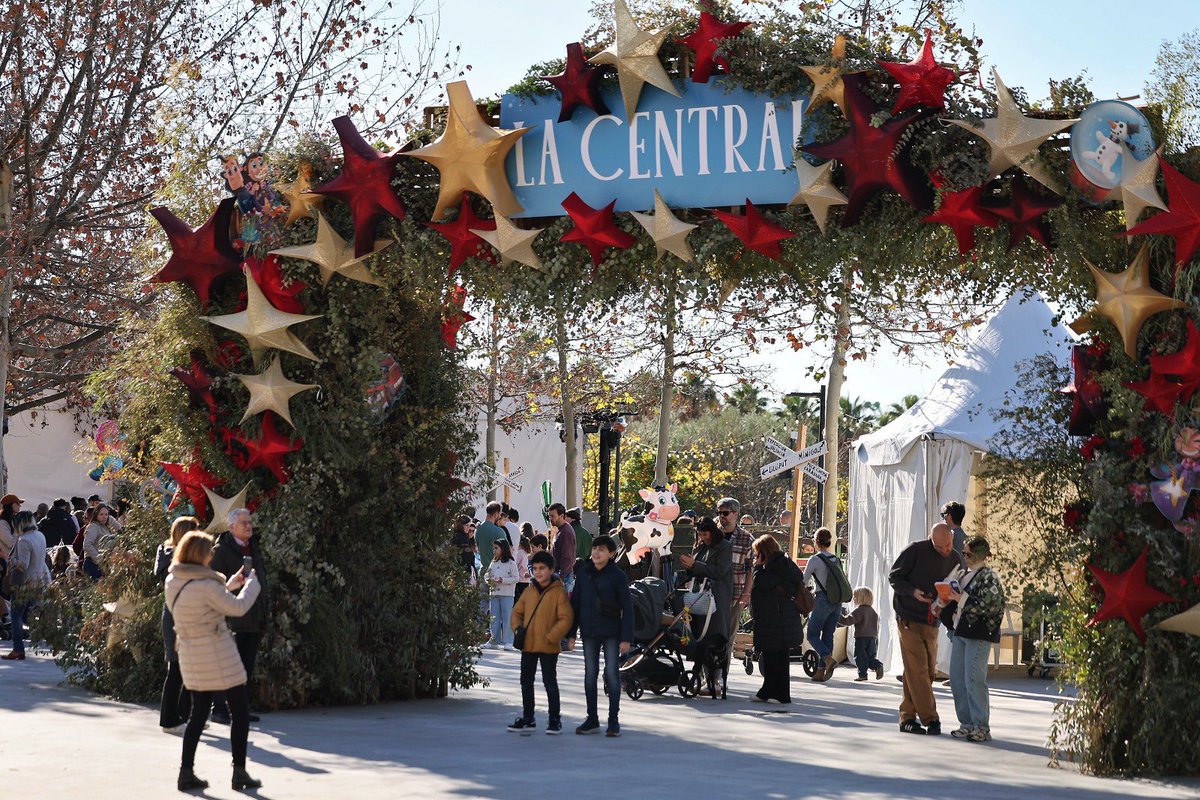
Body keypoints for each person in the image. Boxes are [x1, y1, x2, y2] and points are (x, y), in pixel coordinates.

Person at [165, 531, 263, 792]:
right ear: (200, 555)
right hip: (218, 654)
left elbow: (204, 602)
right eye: (209, 550)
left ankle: (186, 772)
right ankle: (239, 772)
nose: (212, 554)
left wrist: (228, 585)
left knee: (198, 714)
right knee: (240, 712)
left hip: (191, 655)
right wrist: (252, 584)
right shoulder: (207, 585)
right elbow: (237, 608)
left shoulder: (174, 581)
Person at [888, 522, 965, 735]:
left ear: (951, 537)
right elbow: (894, 577)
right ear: (931, 541)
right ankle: (931, 719)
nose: (945, 551)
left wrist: (946, 601)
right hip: (908, 617)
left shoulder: (955, 558)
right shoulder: (915, 550)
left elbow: (959, 585)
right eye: (940, 548)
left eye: (948, 545)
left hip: (933, 619)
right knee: (918, 669)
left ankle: (907, 717)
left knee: (925, 670)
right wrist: (913, 592)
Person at [208, 508, 269, 725]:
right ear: (232, 526)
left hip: (252, 617)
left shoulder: (254, 547)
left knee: (245, 667)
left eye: (250, 521)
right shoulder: (222, 551)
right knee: (226, 666)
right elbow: (214, 585)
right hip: (230, 617)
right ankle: (219, 708)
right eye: (244, 522)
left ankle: (239, 708)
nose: (248, 525)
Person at [568, 534, 632, 737]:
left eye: (602, 549)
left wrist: (626, 637)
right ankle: (592, 718)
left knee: (612, 675)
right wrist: (571, 634)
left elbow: (627, 608)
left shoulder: (618, 576)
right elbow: (575, 605)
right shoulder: (584, 573)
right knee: (590, 674)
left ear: (611, 554)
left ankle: (613, 720)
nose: (596, 552)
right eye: (595, 548)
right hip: (588, 631)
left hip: (612, 632)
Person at [943, 536, 1006, 743]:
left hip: (978, 633)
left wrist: (960, 598)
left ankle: (981, 726)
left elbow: (992, 606)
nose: (965, 556)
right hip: (961, 630)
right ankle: (967, 724)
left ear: (979, 554)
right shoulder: (965, 574)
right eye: (964, 553)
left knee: (974, 679)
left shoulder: (988, 576)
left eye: (968, 553)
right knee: (958, 679)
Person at [507, 550, 574, 735]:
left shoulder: (558, 592)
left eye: (542, 568)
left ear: (551, 569)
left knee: (549, 682)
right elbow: (516, 612)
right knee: (525, 681)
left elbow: (566, 618)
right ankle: (528, 718)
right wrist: (518, 628)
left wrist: (553, 636)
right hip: (528, 644)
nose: (538, 572)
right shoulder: (529, 591)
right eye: (535, 568)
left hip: (548, 645)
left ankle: (555, 720)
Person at [678, 516, 733, 695]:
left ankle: (715, 680)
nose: (703, 537)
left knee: (716, 639)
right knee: (700, 638)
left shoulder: (724, 547)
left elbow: (720, 571)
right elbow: (696, 569)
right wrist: (689, 565)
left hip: (717, 597)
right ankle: (701, 678)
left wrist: (696, 565)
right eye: (700, 534)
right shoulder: (700, 547)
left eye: (706, 534)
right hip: (699, 597)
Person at [748, 534, 804, 704]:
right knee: (772, 656)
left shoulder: (777, 567)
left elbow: (764, 584)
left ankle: (781, 694)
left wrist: (757, 568)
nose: (756, 558)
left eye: (757, 554)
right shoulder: (783, 564)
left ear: (764, 553)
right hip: (776, 618)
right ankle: (767, 691)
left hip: (777, 618)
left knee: (778, 658)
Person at [157, 516, 200, 731]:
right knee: (176, 669)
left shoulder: (178, 557)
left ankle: (184, 714)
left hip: (184, 615)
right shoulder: (173, 559)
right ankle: (169, 720)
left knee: (187, 669)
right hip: (176, 617)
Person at [3, 511, 51, 660]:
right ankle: (41, 631)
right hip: (39, 581)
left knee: (16, 616)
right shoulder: (40, 536)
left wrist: (9, 559)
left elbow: (22, 565)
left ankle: (18, 649)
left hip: (24, 583)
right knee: (26, 615)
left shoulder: (24, 540)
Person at [803, 527, 848, 682]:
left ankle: (828, 659)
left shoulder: (815, 559)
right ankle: (820, 671)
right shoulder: (835, 559)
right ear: (830, 542)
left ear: (815, 542)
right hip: (837, 601)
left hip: (822, 599)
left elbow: (804, 580)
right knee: (828, 634)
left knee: (812, 634)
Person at [839, 587, 884, 682]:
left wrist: (838, 616)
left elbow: (847, 621)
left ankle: (862, 675)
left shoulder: (858, 611)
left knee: (860, 656)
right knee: (871, 656)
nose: (853, 599)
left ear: (861, 599)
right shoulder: (873, 611)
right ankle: (878, 666)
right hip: (873, 638)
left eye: (855, 597)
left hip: (861, 638)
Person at [485, 538, 519, 650]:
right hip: (494, 593)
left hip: (507, 594)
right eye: (493, 548)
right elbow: (486, 575)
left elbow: (516, 578)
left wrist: (502, 580)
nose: (494, 550)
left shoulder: (511, 563)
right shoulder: (493, 563)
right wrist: (489, 580)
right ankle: (494, 640)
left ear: (503, 549)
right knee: (494, 617)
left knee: (507, 617)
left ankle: (508, 641)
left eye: (496, 548)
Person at [81, 503, 121, 581]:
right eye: (101, 514)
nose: (104, 517)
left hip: (103, 564)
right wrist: (99, 557)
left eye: (106, 514)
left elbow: (122, 530)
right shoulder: (93, 526)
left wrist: (111, 520)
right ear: (96, 515)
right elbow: (87, 545)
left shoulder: (105, 527)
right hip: (92, 563)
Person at [547, 503, 577, 591]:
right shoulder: (561, 530)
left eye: (553, 516)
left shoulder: (565, 532)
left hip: (564, 577)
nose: (550, 519)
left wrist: (561, 578)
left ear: (561, 516)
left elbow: (567, 557)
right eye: (550, 516)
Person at [475, 502, 507, 572]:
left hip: (483, 570)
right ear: (495, 514)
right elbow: (506, 552)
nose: (500, 517)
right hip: (497, 571)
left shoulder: (478, 530)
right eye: (499, 514)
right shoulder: (499, 531)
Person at [514, 536, 532, 601]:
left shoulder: (519, 552)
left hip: (520, 579)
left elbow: (515, 564)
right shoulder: (525, 552)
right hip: (526, 580)